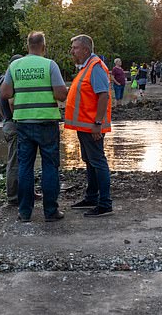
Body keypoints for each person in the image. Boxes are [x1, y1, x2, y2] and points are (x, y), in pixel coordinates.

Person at [0, 32, 67, 222]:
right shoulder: (49, 65)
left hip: (23, 123)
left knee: (25, 167)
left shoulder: (15, 65)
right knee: (50, 167)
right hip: (47, 122)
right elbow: (62, 95)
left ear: (27, 45)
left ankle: (24, 212)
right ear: (43, 46)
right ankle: (51, 211)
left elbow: (4, 93)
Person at [64, 34, 113, 217]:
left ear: (85, 49)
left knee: (98, 162)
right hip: (85, 126)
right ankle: (92, 197)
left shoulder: (95, 67)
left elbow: (103, 96)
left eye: (75, 48)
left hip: (92, 126)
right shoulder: (86, 67)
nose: (72, 51)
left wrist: (97, 124)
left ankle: (105, 203)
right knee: (91, 161)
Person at [0, 54, 23, 206]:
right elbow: (11, 102)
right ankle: (13, 196)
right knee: (16, 161)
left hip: (7, 124)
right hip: (14, 125)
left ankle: (24, 192)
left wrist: (3, 116)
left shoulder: (1, 81)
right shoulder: (12, 80)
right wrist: (14, 118)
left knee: (19, 160)